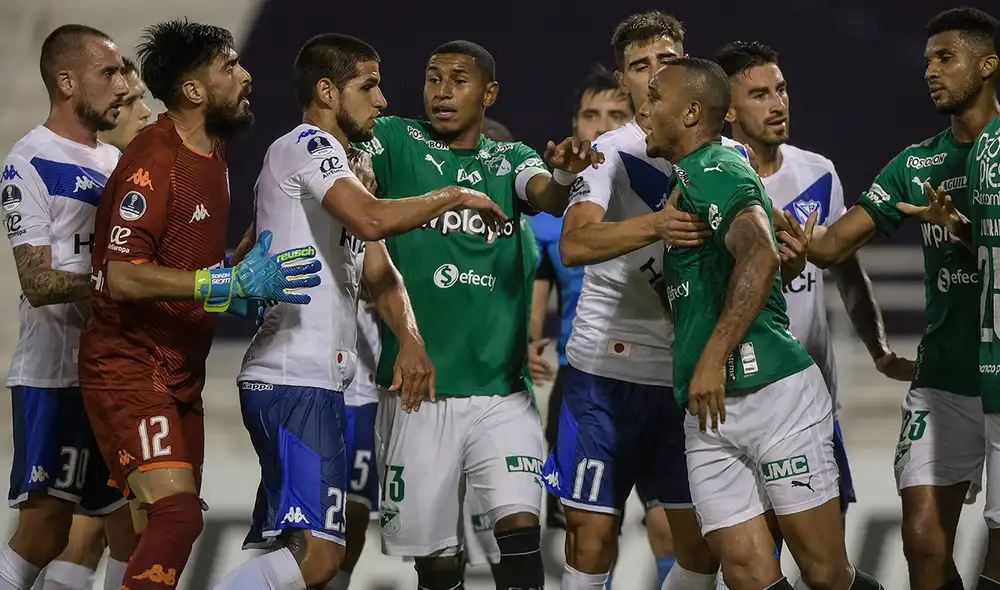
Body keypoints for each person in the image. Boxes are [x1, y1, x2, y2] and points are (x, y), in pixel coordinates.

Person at [212, 33, 509, 590]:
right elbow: (372, 221)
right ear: (327, 91)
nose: (382, 100)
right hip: (293, 377)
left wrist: (411, 338)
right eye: (368, 86)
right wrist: (454, 195)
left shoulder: (339, 168)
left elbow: (377, 270)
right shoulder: (306, 144)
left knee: (305, 553)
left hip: (316, 380)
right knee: (319, 557)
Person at [77, 19, 323, 590]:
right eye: (229, 67)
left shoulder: (213, 155)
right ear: (193, 90)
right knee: (178, 516)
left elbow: (185, 264)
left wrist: (236, 283)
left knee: (150, 535)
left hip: (179, 372)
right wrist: (220, 286)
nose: (245, 75)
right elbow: (120, 276)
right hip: (130, 369)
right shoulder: (153, 160)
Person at [542, 12, 784, 590]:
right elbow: (574, 244)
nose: (654, 75)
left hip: (684, 377)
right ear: (623, 81)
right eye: (639, 66)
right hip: (603, 374)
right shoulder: (607, 153)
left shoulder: (728, 155)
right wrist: (658, 225)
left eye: (665, 61)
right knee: (591, 535)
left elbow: (755, 253)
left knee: (698, 549)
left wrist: (790, 248)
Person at [356, 39, 601, 590]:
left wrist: (562, 178)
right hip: (419, 393)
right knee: (439, 567)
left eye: (458, 79)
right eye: (433, 77)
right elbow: (353, 182)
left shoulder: (508, 159)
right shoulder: (395, 139)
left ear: (488, 93)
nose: (442, 91)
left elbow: (545, 195)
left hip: (502, 395)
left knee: (519, 535)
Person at [647, 57, 884, 590]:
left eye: (655, 100)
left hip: (773, 393)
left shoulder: (718, 169)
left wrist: (709, 356)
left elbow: (760, 258)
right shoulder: (688, 181)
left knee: (825, 574)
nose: (644, 111)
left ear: (689, 113)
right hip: (708, 411)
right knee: (748, 573)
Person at [800, 8, 999, 590]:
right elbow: (834, 245)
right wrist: (778, 232)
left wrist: (963, 228)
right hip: (942, 379)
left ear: (988, 64)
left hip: (999, 376)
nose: (931, 72)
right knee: (922, 541)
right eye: (927, 61)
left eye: (946, 58)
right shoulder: (916, 164)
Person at [0, 24, 137, 590]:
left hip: (113, 373)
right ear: (66, 81)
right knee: (46, 532)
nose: (122, 86)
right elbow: (36, 281)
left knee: (135, 527)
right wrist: (121, 281)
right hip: (55, 376)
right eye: (107, 73)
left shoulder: (118, 162)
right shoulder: (27, 161)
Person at [38, 54, 153, 590]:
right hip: (101, 370)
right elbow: (120, 278)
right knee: (116, 526)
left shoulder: (119, 172)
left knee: (104, 529)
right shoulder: (119, 180)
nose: (146, 112)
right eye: (131, 104)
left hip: (111, 367)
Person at [532, 66, 622, 539]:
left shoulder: (658, 189)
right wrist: (525, 342)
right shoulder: (549, 214)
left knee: (676, 527)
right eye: (591, 115)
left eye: (615, 114)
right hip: (580, 374)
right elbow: (533, 292)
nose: (601, 125)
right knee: (585, 530)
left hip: (657, 369)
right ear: (575, 124)